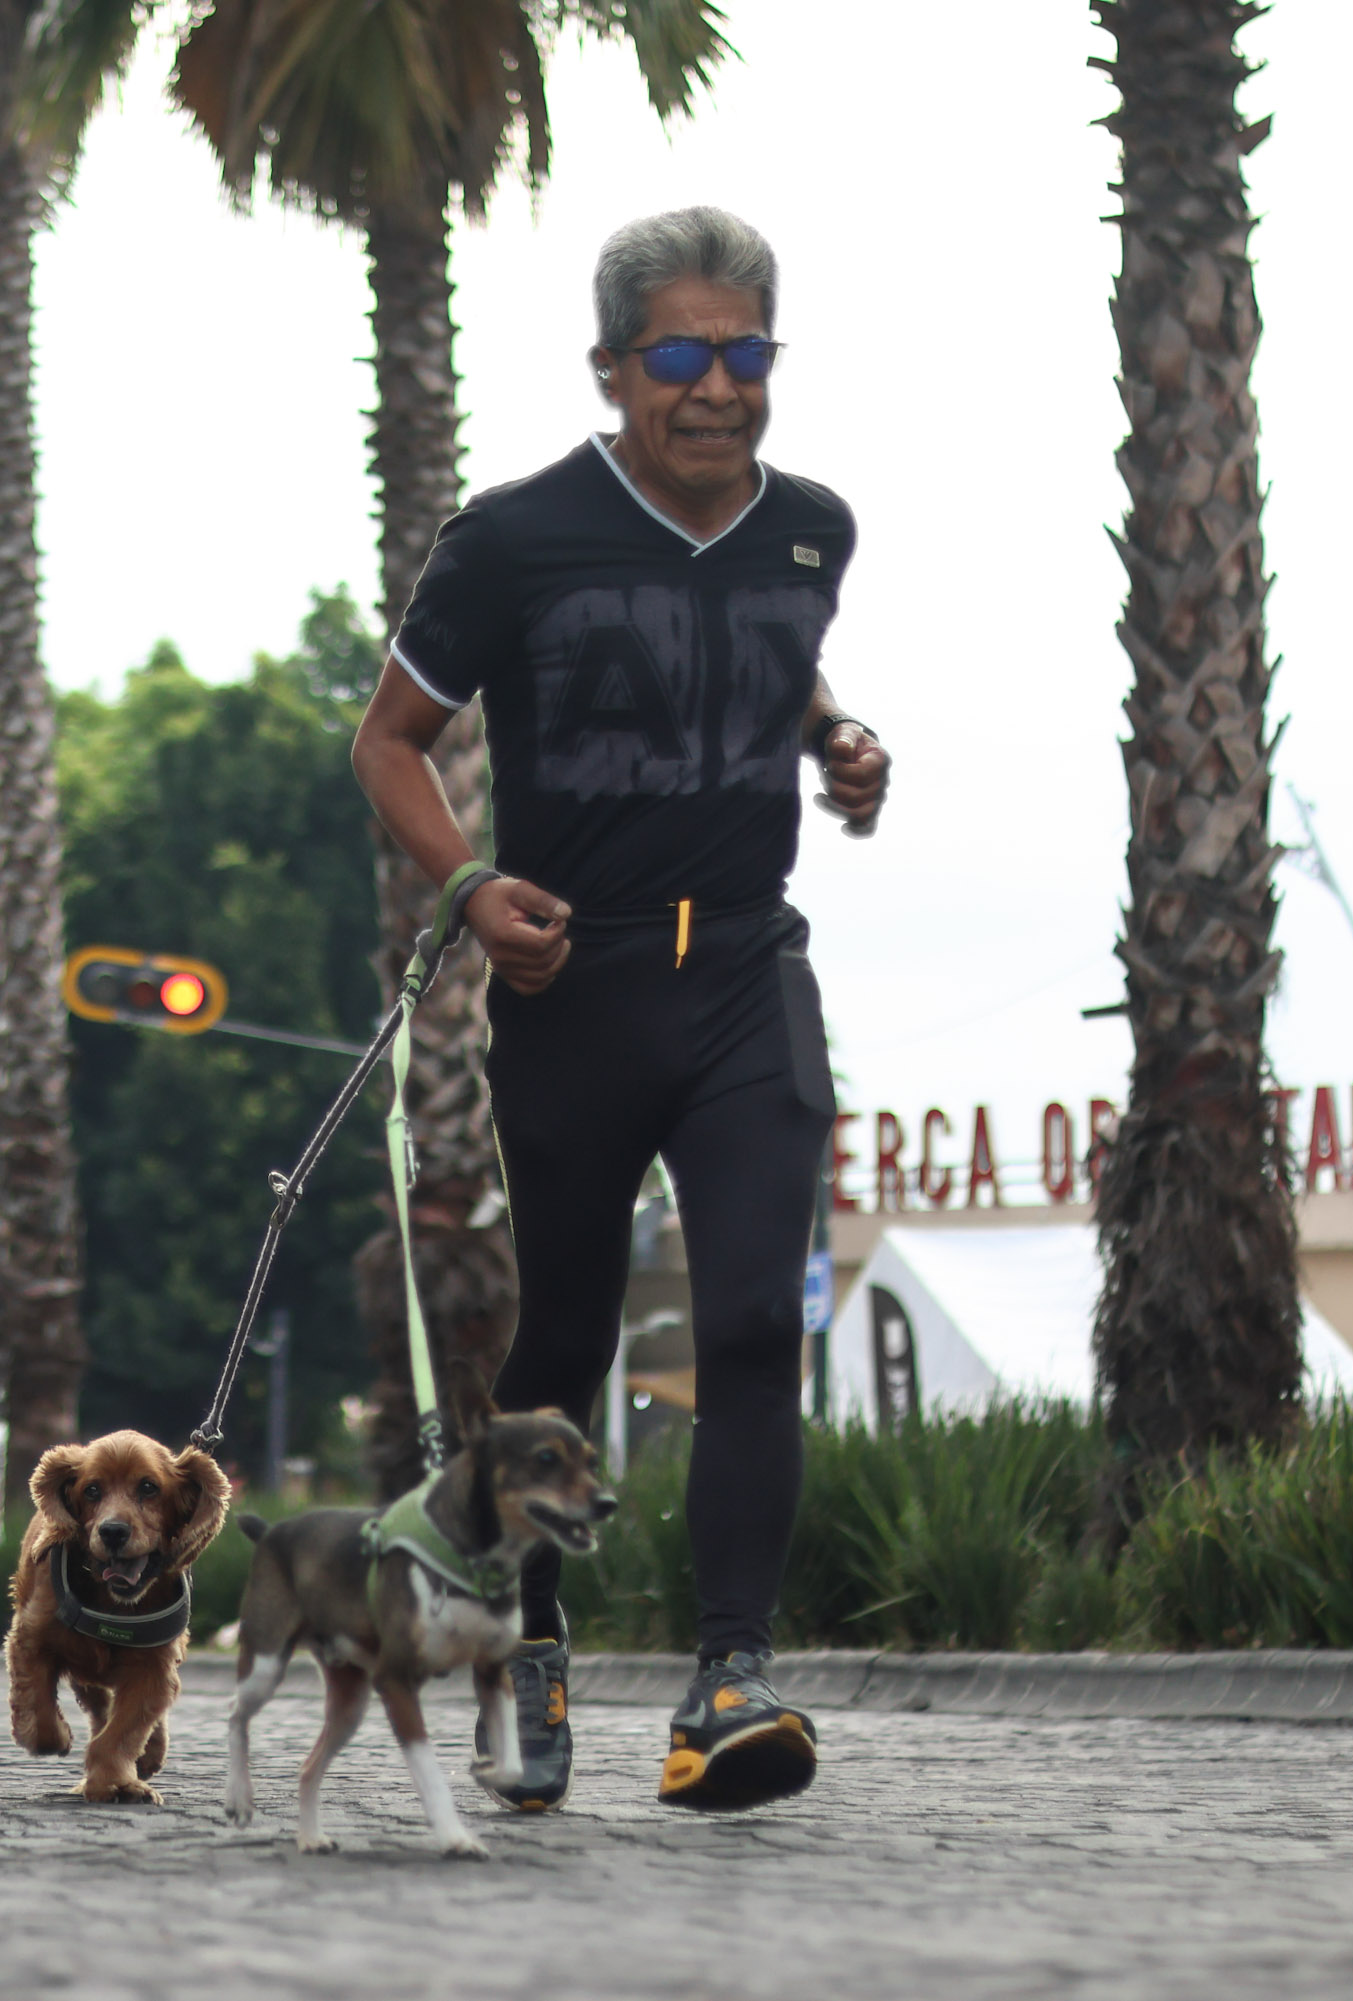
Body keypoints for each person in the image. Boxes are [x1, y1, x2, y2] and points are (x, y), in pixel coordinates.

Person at [352, 206, 892, 1815]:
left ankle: (731, 1679)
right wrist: (465, 888)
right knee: (567, 1342)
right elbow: (390, 740)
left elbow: (769, 660)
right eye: (680, 355)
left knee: (745, 1321)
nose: (716, 387)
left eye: (745, 354)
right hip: (574, 979)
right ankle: (530, 1646)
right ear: (613, 368)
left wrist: (839, 737)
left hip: (745, 969)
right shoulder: (517, 538)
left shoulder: (815, 530)